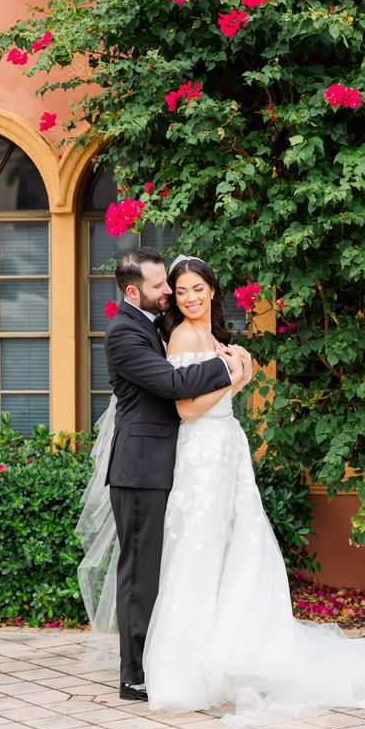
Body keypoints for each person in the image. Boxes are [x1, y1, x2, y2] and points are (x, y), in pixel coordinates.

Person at [78, 254, 365, 725]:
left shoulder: (175, 330)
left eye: (192, 289)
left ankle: (217, 655)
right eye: (171, 288)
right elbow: (179, 398)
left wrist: (236, 373)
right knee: (160, 564)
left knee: (225, 554)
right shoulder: (141, 334)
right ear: (136, 291)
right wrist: (235, 375)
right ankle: (140, 673)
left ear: (212, 290)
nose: (178, 296)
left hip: (215, 453)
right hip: (166, 460)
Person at [79, 246, 243, 702]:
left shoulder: (153, 325)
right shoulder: (122, 334)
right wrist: (230, 365)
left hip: (168, 464)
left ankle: (161, 659)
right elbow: (173, 386)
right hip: (139, 469)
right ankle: (133, 675)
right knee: (139, 574)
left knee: (164, 569)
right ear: (134, 291)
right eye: (159, 286)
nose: (169, 291)